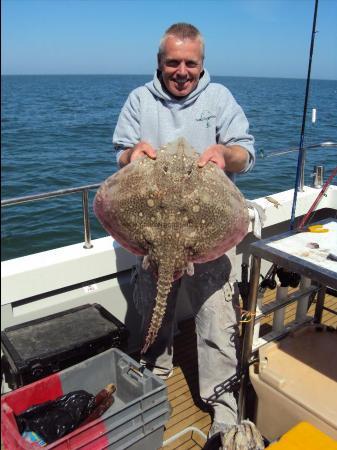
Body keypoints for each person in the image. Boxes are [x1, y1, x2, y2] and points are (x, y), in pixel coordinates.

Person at [113, 23, 255, 439]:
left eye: (190, 63)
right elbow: (120, 150)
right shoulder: (140, 100)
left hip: (207, 238)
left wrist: (225, 154)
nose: (181, 71)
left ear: (201, 64)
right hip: (154, 236)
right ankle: (153, 381)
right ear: (159, 63)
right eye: (172, 62)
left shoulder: (219, 98)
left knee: (215, 323)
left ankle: (224, 407)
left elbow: (246, 153)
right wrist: (130, 155)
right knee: (151, 316)